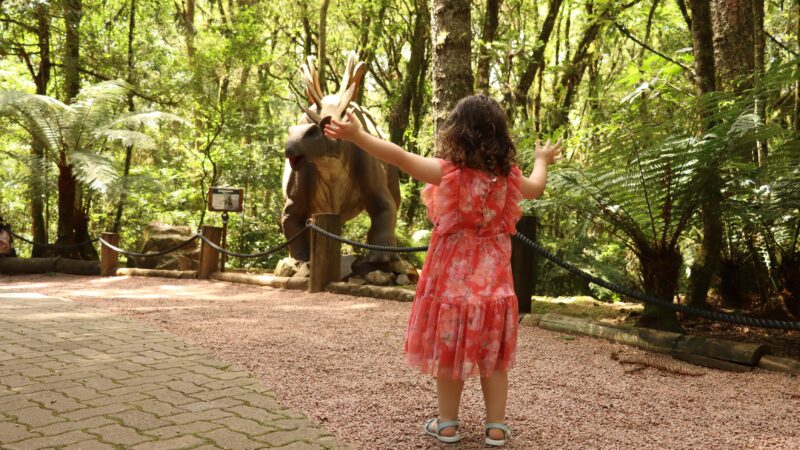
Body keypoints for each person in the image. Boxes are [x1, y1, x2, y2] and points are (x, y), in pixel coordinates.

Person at [324, 95, 562, 446]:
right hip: (494, 286)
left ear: (457, 132)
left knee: (450, 352)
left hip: (450, 285)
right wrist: (542, 159)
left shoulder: (449, 173)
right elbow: (537, 188)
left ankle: (447, 424)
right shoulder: (508, 178)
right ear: (500, 136)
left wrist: (356, 136)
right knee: (493, 356)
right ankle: (496, 427)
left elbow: (398, 157)